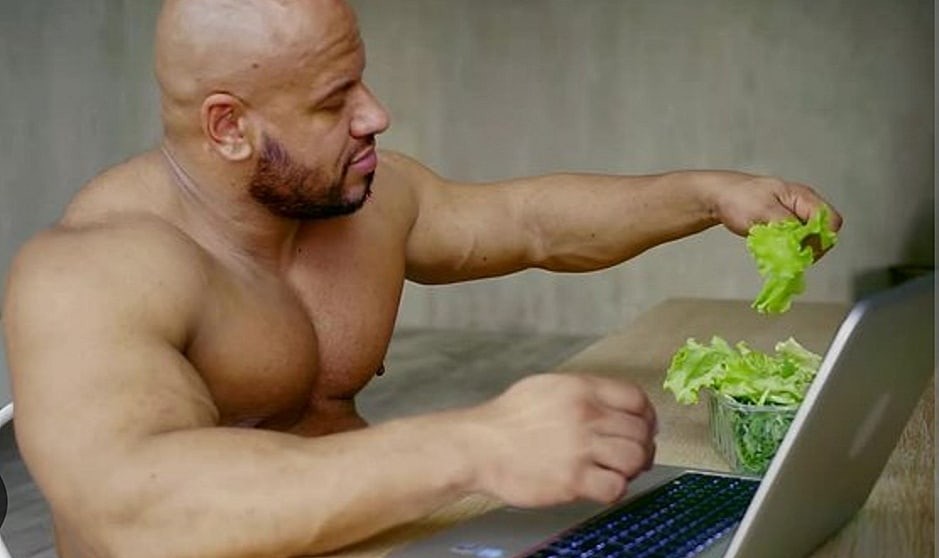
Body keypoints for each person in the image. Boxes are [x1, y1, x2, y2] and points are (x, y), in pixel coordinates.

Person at [1, 0, 842, 556]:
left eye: (361, 80)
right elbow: (134, 512)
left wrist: (707, 195)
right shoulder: (91, 270)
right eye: (333, 101)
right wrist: (476, 444)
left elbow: (531, 223)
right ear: (228, 127)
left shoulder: (361, 202)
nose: (375, 114)